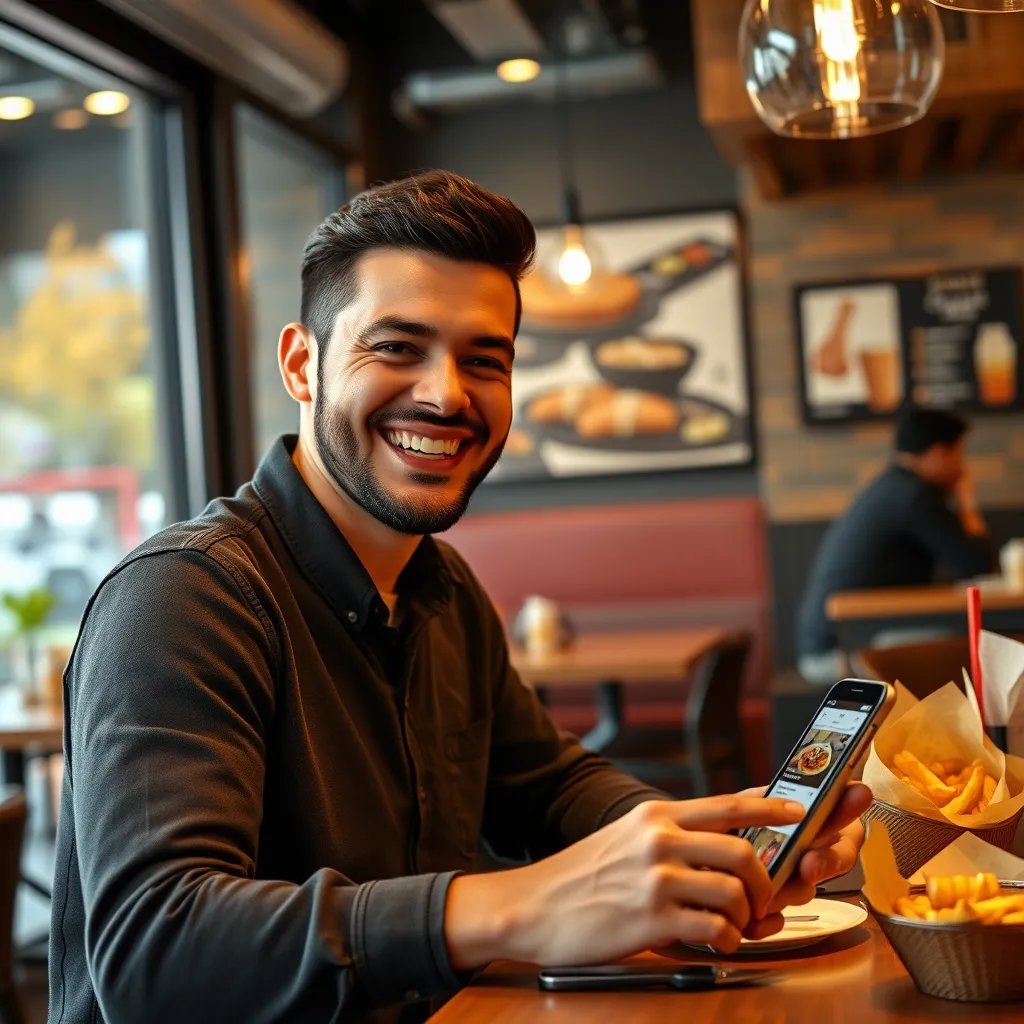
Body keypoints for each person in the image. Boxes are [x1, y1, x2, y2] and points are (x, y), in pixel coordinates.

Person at [50, 171, 869, 1024]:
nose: (446, 395)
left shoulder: (439, 588)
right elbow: (154, 953)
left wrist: (702, 849)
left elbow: (548, 787)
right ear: (302, 363)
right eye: (397, 347)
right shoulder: (185, 596)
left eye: (485, 360)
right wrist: (517, 905)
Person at [797, 407, 992, 685]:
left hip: (833, 640)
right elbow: (977, 564)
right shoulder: (914, 497)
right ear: (938, 453)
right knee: (970, 648)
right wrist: (967, 500)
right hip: (837, 650)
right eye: (960, 454)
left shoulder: (893, 487)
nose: (962, 467)